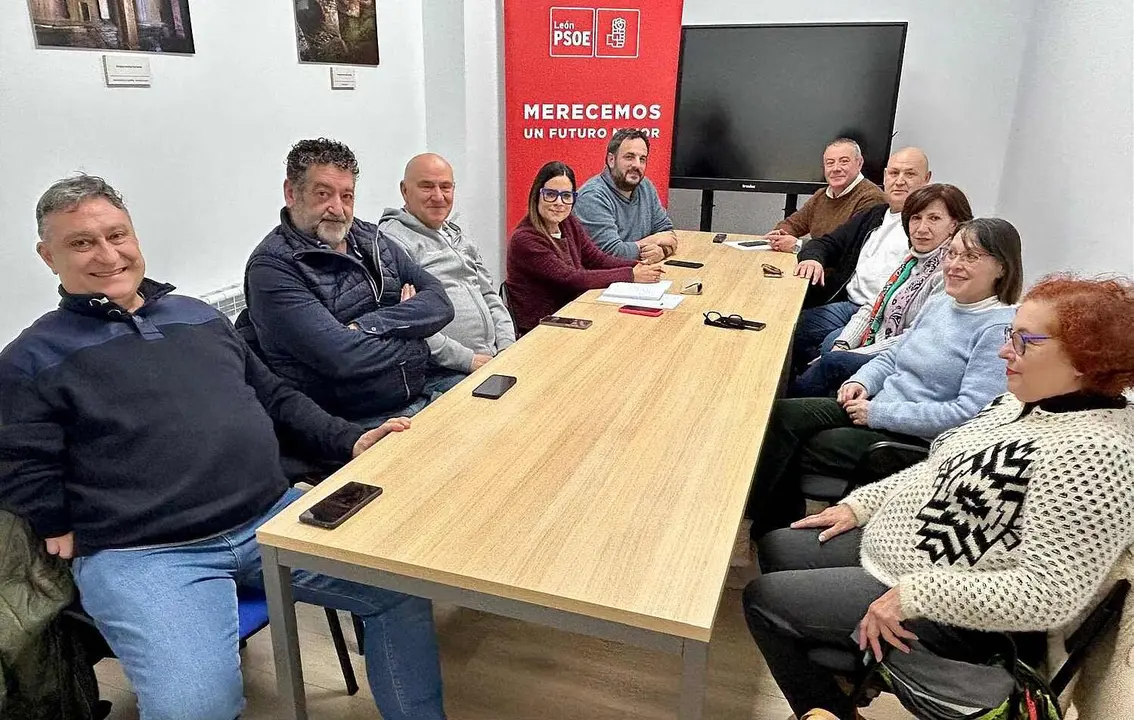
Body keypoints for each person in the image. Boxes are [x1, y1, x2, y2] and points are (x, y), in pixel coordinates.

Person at [0, 174, 447, 720]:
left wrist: (350, 438)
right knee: (195, 706)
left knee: (398, 588)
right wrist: (51, 519)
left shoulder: (196, 315)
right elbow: (19, 458)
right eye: (82, 243)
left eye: (117, 235)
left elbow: (276, 396)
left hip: (271, 517)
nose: (107, 254)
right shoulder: (30, 357)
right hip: (147, 554)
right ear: (48, 257)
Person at [744, 275, 1134, 720]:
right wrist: (862, 505)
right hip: (914, 556)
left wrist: (913, 596)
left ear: (1087, 361)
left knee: (763, 599)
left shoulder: (1096, 454)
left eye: (1026, 342)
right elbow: (936, 471)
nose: (1005, 351)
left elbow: (1049, 592)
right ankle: (852, 665)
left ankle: (831, 708)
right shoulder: (1022, 403)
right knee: (778, 544)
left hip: (962, 612)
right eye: (1011, 335)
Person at [748, 218, 1023, 540]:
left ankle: (776, 531)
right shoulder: (940, 304)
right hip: (876, 407)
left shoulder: (997, 329)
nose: (954, 265)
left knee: (808, 445)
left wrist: (878, 413)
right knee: (779, 415)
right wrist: (861, 381)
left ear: (1002, 267)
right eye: (952, 253)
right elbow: (894, 356)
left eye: (971, 257)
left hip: (910, 437)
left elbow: (969, 415)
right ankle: (770, 525)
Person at [241, 138, 456, 427]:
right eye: (323, 194)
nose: (338, 209)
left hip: (422, 389)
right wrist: (415, 336)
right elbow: (342, 357)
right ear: (291, 193)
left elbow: (440, 303)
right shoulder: (272, 268)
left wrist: (367, 326)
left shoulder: (370, 238)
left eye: (347, 196)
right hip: (355, 423)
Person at [791, 183, 973, 396]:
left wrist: (856, 352)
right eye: (916, 218)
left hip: (897, 357)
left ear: (955, 225)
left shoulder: (949, 272)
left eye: (934, 218)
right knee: (815, 337)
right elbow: (874, 305)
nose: (922, 228)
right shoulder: (912, 260)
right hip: (874, 334)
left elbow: (915, 337)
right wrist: (844, 343)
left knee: (830, 361)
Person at [790, 147, 933, 374]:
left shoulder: (927, 228)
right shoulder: (874, 214)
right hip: (848, 303)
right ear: (885, 176)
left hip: (882, 317)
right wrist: (813, 259)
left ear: (926, 179)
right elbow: (827, 243)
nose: (900, 181)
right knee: (788, 326)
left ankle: (812, 399)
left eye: (910, 174)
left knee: (832, 350)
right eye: (894, 173)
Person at [379, 153, 516, 376]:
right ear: (405, 190)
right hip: (446, 372)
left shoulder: (458, 236)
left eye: (445, 187)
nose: (438, 196)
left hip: (493, 359)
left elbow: (490, 296)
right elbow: (408, 324)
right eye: (427, 187)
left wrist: (508, 347)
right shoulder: (391, 242)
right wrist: (468, 360)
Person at [505, 161, 664, 335]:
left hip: (574, 312)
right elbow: (571, 279)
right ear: (536, 195)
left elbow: (597, 259)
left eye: (566, 196)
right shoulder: (525, 239)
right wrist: (631, 275)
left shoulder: (568, 222)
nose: (559, 202)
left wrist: (637, 266)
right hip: (543, 327)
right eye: (550, 194)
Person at [573, 128, 678, 263]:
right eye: (629, 157)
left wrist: (662, 251)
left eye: (642, 159)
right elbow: (612, 253)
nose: (637, 165)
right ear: (611, 160)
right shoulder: (592, 196)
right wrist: (654, 241)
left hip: (639, 275)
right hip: (602, 280)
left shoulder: (646, 187)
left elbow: (668, 232)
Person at [765, 139, 885, 252]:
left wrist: (798, 246)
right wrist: (779, 235)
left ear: (859, 163)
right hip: (814, 264)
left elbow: (850, 247)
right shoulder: (822, 195)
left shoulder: (872, 198)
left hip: (842, 273)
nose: (835, 168)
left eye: (844, 161)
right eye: (830, 163)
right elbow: (793, 224)